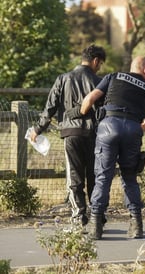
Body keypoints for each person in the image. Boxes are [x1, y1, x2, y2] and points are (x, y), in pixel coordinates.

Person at [80, 56, 145, 239]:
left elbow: (90, 99)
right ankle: (136, 225)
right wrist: (133, 128)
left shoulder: (114, 76)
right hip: (132, 129)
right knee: (129, 177)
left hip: (108, 126)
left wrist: (83, 113)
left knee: (103, 177)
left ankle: (96, 226)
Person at [30, 45, 106, 228]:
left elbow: (50, 108)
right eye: (100, 63)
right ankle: (97, 216)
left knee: (74, 178)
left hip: (71, 135)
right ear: (95, 61)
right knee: (95, 177)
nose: (100, 67)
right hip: (94, 135)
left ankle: (79, 217)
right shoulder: (99, 81)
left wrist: (37, 129)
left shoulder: (63, 79)